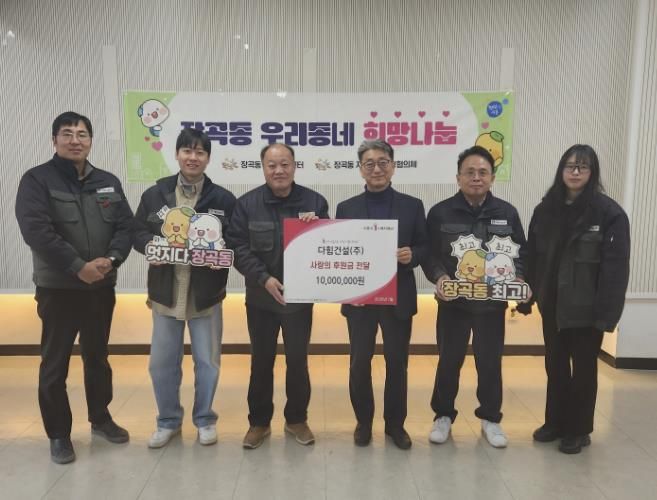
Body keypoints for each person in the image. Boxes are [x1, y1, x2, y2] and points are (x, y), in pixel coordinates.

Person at [15, 112, 133, 464]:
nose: (75, 140)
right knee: (55, 363)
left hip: (101, 286)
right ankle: (58, 434)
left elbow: (125, 227)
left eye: (82, 134)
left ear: (91, 141)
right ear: (54, 140)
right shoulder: (37, 180)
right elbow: (36, 230)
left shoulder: (108, 181)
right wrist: (77, 266)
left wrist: (111, 259)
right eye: (67, 134)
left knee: (97, 357)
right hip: (59, 289)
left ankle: (101, 418)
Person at [517, 144, 630, 454]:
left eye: (583, 167)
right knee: (555, 366)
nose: (575, 172)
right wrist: (527, 295)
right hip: (552, 304)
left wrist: (607, 314)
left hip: (586, 309)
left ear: (592, 172)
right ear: (561, 170)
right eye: (570, 166)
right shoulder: (545, 209)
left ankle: (578, 430)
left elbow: (616, 268)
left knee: (583, 371)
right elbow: (533, 256)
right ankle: (554, 422)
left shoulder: (609, 213)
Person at [133, 128, 236, 448]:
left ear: (208, 158)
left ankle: (205, 419)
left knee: (208, 363)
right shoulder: (156, 194)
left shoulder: (222, 199)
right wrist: (152, 245)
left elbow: (234, 239)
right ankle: (168, 421)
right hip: (166, 293)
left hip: (206, 295)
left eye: (200, 152)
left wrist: (221, 253)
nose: (193, 157)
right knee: (161, 363)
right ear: (177, 154)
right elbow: (136, 232)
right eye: (187, 151)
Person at [422, 145, 528, 449]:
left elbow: (521, 253)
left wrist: (519, 278)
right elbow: (429, 254)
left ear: (492, 177)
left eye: (483, 172)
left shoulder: (507, 212)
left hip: (492, 305)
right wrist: (439, 277)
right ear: (458, 177)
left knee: (490, 363)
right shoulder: (440, 212)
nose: (476, 177)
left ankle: (491, 418)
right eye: (470, 172)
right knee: (448, 361)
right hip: (453, 304)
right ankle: (443, 415)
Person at [226, 143, 329, 449]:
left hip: (299, 302)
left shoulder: (315, 201)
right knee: (261, 362)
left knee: (297, 362)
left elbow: (328, 245)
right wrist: (264, 278)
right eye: (272, 165)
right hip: (261, 299)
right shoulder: (246, 204)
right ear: (263, 168)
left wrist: (317, 227)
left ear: (294, 166)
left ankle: (296, 419)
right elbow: (237, 247)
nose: (279, 170)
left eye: (285, 164)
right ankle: (258, 423)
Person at [335, 140, 427, 449]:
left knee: (397, 363)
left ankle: (395, 425)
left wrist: (412, 255)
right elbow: (339, 249)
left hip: (397, 297)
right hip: (360, 299)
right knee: (359, 362)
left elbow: (425, 246)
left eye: (383, 162)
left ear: (393, 166)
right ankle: (363, 422)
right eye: (370, 163)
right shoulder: (346, 208)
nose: (377, 168)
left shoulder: (413, 206)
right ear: (360, 169)